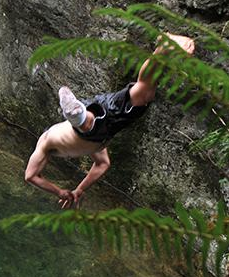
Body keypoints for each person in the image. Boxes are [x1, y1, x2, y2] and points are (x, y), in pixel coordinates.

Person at [24, 33, 195, 208]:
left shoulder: (46, 143)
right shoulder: (94, 149)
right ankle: (163, 49)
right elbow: (102, 164)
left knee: (141, 91)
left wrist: (59, 192)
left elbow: (30, 176)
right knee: (145, 92)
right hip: (104, 120)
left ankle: (77, 115)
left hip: (91, 125)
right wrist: (79, 190)